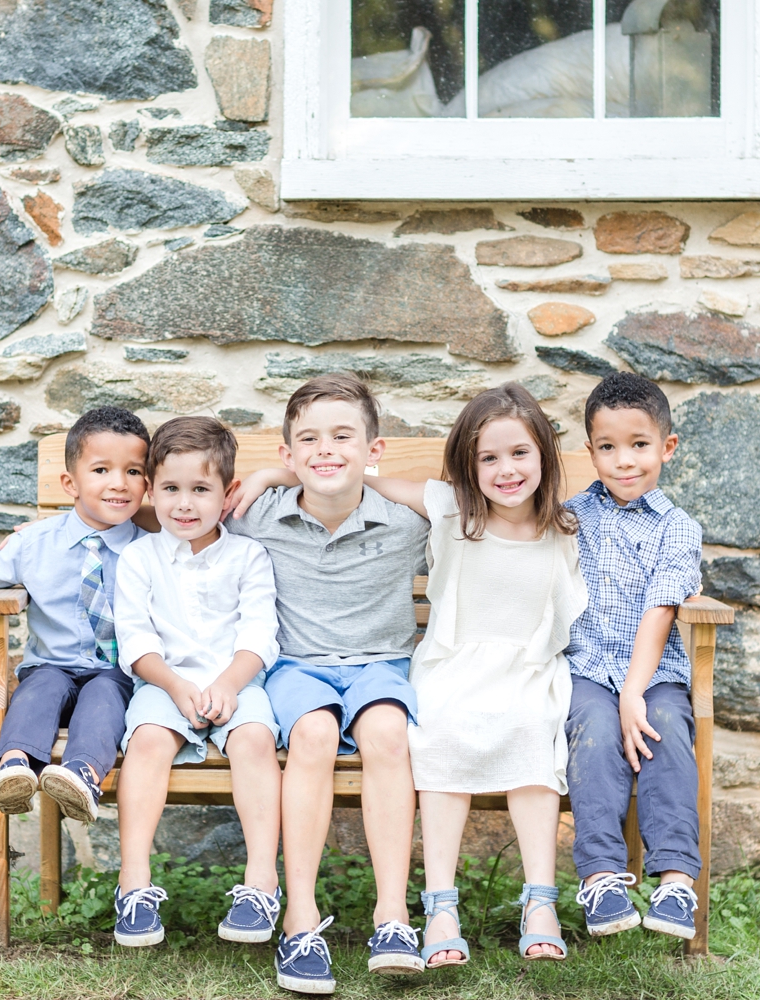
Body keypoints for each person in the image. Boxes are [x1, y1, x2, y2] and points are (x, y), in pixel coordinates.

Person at [358, 383, 588, 967]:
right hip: (453, 668)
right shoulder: (451, 509)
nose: (506, 469)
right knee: (439, 728)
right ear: (468, 465)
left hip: (530, 668)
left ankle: (540, 900)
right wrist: (263, 479)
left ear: (544, 457)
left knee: (536, 725)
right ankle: (440, 904)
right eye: (488, 458)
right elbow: (360, 478)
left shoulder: (566, 526)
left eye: (519, 454)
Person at [230, 374, 429, 995]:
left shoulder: (407, 523)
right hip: (296, 667)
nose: (327, 449)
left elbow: (461, 497)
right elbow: (178, 525)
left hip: (382, 667)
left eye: (345, 436)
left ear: (375, 449)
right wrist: (263, 479)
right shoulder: (257, 516)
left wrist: (280, 471)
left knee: (389, 733)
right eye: (309, 440)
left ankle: (392, 916)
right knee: (313, 734)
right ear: (288, 454)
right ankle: (300, 918)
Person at [110, 417, 284, 949]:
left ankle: (261, 883)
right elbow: (135, 640)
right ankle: (134, 883)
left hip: (237, 681)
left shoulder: (248, 556)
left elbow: (260, 633)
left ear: (227, 493)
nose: (184, 504)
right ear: (151, 490)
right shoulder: (138, 558)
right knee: (146, 741)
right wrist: (178, 688)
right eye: (170, 489)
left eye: (200, 490)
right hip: (164, 685)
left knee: (255, 738)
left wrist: (230, 684)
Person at [0, 406, 151, 826]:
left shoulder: (152, 548)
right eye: (101, 470)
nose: (118, 483)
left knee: (105, 696)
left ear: (147, 483)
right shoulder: (34, 543)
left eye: (133, 471)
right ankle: (15, 768)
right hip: (51, 665)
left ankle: (81, 776)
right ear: (70, 483)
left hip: (117, 671)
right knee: (37, 690)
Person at [563, 371, 704, 941]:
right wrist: (616, 697)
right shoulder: (572, 517)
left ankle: (675, 883)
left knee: (665, 724)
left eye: (639, 445)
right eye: (608, 447)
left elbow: (661, 611)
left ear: (666, 448)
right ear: (591, 451)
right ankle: (602, 878)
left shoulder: (677, 528)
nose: (624, 461)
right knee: (595, 731)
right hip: (588, 670)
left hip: (655, 675)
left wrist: (634, 693)